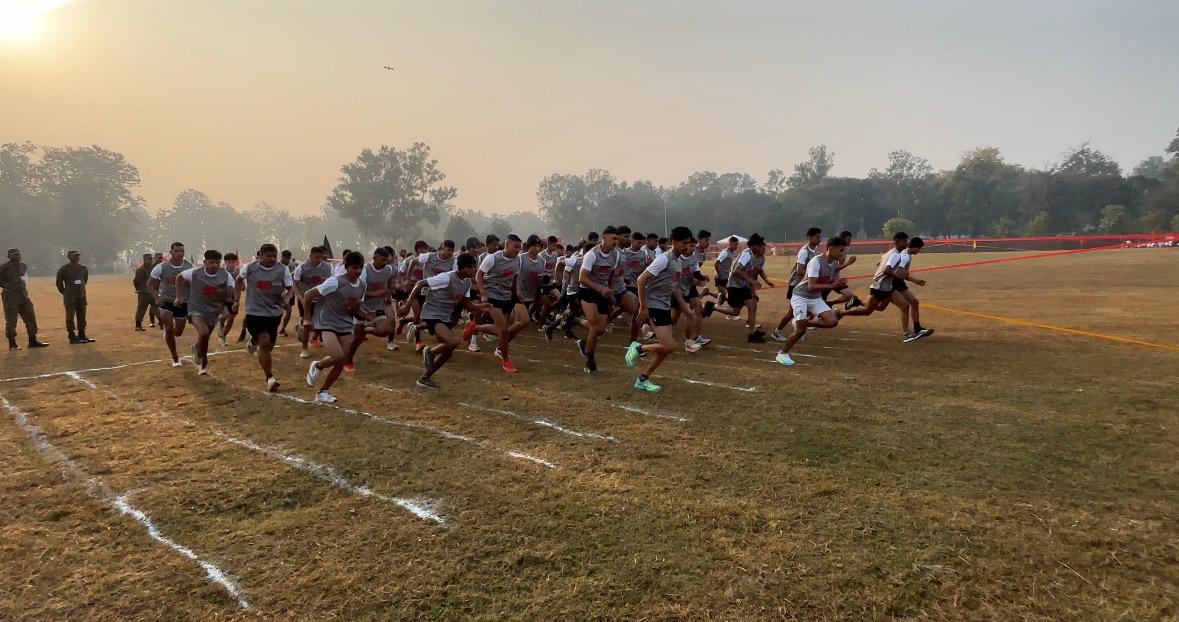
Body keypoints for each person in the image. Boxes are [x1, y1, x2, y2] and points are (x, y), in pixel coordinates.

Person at [402, 253, 489, 389]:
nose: (474, 270)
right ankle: (429, 352)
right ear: (463, 267)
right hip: (432, 313)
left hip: (445, 316)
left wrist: (480, 307)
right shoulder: (446, 278)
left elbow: (466, 303)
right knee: (452, 342)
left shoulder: (466, 283)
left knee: (448, 351)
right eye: (471, 267)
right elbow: (420, 284)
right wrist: (407, 306)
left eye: (474, 267)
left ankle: (426, 376)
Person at [625, 226, 693, 392]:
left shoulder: (678, 261)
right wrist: (643, 306)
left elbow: (674, 288)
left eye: (689, 243)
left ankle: (643, 379)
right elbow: (641, 279)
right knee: (669, 346)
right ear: (674, 242)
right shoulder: (663, 259)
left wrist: (685, 308)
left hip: (664, 306)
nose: (687, 247)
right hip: (654, 306)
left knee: (665, 350)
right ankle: (637, 348)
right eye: (684, 243)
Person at [303, 251, 369, 403]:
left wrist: (367, 316)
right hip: (328, 323)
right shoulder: (335, 282)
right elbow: (308, 294)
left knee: (341, 360)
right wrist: (307, 317)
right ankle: (318, 366)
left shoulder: (362, 285)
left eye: (360, 267)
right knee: (338, 356)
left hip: (345, 324)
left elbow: (356, 307)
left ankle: (323, 391)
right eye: (354, 268)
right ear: (346, 267)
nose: (358, 271)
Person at [774, 236, 849, 366]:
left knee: (832, 321)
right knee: (800, 331)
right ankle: (782, 353)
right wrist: (833, 285)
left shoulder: (835, 263)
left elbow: (830, 280)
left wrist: (837, 283)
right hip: (800, 297)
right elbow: (811, 286)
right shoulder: (816, 262)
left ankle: (802, 322)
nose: (843, 254)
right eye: (841, 250)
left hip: (815, 297)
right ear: (831, 248)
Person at [465, 233, 526, 373]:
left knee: (506, 328)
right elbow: (479, 275)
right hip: (492, 296)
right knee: (503, 331)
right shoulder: (492, 258)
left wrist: (517, 294)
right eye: (516, 246)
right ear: (507, 245)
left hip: (507, 296)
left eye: (520, 247)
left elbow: (515, 277)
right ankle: (506, 360)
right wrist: (483, 294)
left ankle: (474, 327)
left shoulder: (518, 260)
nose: (518, 250)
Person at [237, 244, 293, 391]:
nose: (272, 259)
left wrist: (287, 299)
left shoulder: (283, 269)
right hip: (254, 312)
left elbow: (290, 288)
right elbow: (238, 280)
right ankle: (270, 378)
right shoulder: (250, 268)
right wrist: (236, 300)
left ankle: (252, 341)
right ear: (260, 256)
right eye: (269, 256)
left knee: (269, 346)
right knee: (265, 342)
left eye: (274, 256)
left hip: (274, 313)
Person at [175, 249, 237, 376]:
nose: (215, 265)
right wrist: (179, 296)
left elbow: (230, 292)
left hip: (213, 310)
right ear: (205, 262)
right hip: (196, 308)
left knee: (205, 337)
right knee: (203, 333)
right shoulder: (194, 273)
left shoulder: (225, 275)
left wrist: (225, 301)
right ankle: (204, 363)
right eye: (211, 262)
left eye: (217, 263)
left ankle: (197, 348)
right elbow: (179, 278)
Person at [702, 234, 773, 342]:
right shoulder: (746, 254)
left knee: (749, 307)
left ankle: (752, 333)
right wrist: (750, 281)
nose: (761, 248)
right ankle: (712, 306)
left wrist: (751, 287)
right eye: (760, 246)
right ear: (755, 246)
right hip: (735, 287)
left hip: (741, 286)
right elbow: (736, 271)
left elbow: (747, 272)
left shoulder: (751, 255)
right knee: (737, 311)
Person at [343, 247, 397, 373]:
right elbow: (358, 292)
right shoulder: (365, 270)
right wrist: (376, 293)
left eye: (387, 260)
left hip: (377, 307)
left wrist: (389, 293)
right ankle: (349, 361)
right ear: (375, 258)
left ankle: (366, 329)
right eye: (383, 260)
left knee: (384, 331)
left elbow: (389, 282)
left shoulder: (389, 269)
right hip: (361, 308)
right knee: (357, 339)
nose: (385, 263)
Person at [577, 226, 620, 373]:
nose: (616, 241)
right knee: (595, 326)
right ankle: (590, 361)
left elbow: (611, 275)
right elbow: (582, 278)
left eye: (617, 239)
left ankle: (574, 320)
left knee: (600, 330)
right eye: (613, 238)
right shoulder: (592, 254)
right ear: (604, 237)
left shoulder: (615, 255)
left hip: (603, 293)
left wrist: (611, 292)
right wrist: (600, 288)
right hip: (588, 291)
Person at [771, 227, 823, 342]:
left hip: (804, 285)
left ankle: (799, 326)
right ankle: (777, 331)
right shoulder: (804, 251)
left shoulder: (814, 251)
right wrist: (813, 276)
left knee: (808, 308)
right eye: (817, 237)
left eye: (820, 237)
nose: (820, 239)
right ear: (810, 237)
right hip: (796, 285)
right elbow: (799, 270)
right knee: (791, 312)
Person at [147, 242, 193, 366]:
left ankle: (168, 334)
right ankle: (175, 357)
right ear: (171, 252)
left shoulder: (189, 266)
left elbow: (195, 284)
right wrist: (156, 298)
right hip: (166, 301)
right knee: (168, 327)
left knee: (178, 332)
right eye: (176, 251)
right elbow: (150, 283)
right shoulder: (162, 267)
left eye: (182, 251)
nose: (179, 253)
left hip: (183, 302)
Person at [1, 248, 48, 350]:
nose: (17, 256)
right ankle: (12, 344)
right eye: (14, 255)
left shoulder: (23, 265)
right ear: (9, 256)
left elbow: (24, 278)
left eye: (18, 254)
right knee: (11, 321)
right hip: (10, 297)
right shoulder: (4, 268)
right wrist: (8, 286)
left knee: (31, 318)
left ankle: (33, 341)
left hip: (23, 296)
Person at [292, 246, 332, 358]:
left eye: (321, 257)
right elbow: (295, 285)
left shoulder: (328, 268)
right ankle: (304, 349)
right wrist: (301, 298)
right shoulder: (301, 268)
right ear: (310, 256)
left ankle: (314, 338)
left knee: (322, 323)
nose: (319, 259)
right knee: (307, 324)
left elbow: (332, 283)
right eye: (316, 257)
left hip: (321, 300)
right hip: (306, 300)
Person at [55, 250, 93, 344]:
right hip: (70, 296)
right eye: (74, 255)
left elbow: (85, 280)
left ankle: (82, 334)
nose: (77, 257)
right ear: (69, 257)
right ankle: (72, 336)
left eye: (77, 255)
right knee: (70, 317)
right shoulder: (64, 269)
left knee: (82, 315)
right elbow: (58, 282)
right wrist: (65, 292)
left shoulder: (83, 268)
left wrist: (80, 288)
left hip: (81, 295)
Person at [217, 252, 243, 347]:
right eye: (229, 262)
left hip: (234, 299)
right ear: (225, 262)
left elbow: (243, 287)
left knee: (231, 320)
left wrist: (240, 287)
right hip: (223, 298)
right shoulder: (221, 272)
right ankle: (220, 326)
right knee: (224, 316)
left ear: (236, 262)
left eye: (233, 262)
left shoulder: (239, 272)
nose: (231, 264)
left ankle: (223, 335)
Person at [133, 253, 159, 331]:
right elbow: (136, 281)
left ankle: (162, 322)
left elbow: (157, 280)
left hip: (153, 293)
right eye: (149, 259)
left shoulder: (154, 269)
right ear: (144, 260)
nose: (151, 260)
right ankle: (138, 326)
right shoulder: (140, 270)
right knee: (141, 310)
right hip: (143, 294)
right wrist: (138, 289)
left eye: (151, 259)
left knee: (157, 309)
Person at [278, 249, 297, 337]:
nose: (288, 260)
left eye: (289, 258)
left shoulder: (292, 266)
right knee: (279, 313)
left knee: (289, 311)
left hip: (289, 290)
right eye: (286, 258)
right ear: (282, 257)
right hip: (279, 293)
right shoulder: (277, 267)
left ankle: (282, 329)